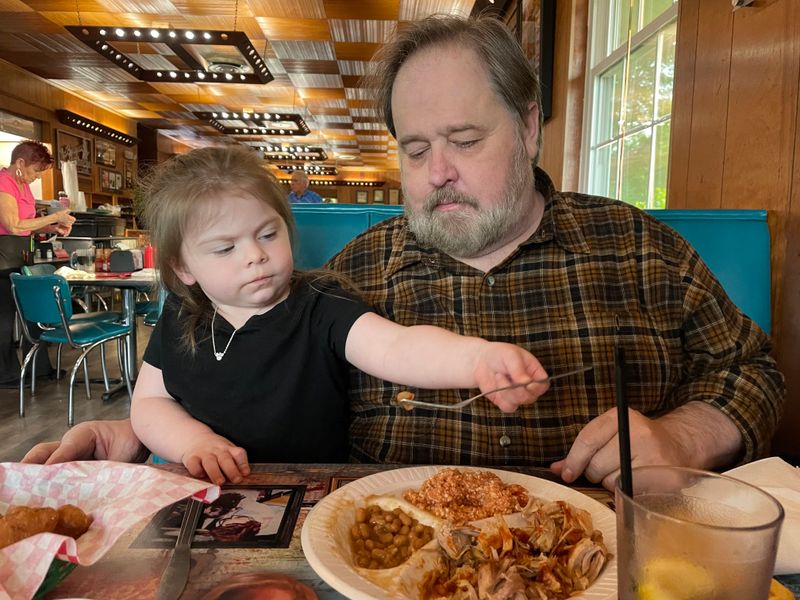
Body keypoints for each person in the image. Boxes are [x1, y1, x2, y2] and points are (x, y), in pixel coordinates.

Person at [24, 16, 785, 492]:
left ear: (527, 128)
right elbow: (249, 384)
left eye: (463, 141)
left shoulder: (638, 248)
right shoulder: (345, 275)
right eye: (415, 149)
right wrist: (128, 435)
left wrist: (683, 436)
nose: (437, 173)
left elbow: (754, 371)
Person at [126, 144, 547, 484]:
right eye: (225, 248)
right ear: (183, 267)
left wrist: (477, 360)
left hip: (310, 490)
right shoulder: (182, 313)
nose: (255, 255)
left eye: (268, 234)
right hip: (204, 491)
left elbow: (396, 348)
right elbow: (149, 403)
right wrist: (194, 442)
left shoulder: (320, 303)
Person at [0, 140, 75, 387]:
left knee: (32, 314)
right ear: (20, 163)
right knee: (4, 318)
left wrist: (53, 226)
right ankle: (5, 374)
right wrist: (55, 215)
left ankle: (39, 368)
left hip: (20, 256)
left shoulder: (23, 186)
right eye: (35, 171)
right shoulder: (4, 183)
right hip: (2, 259)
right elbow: (13, 225)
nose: (36, 177)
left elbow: (27, 225)